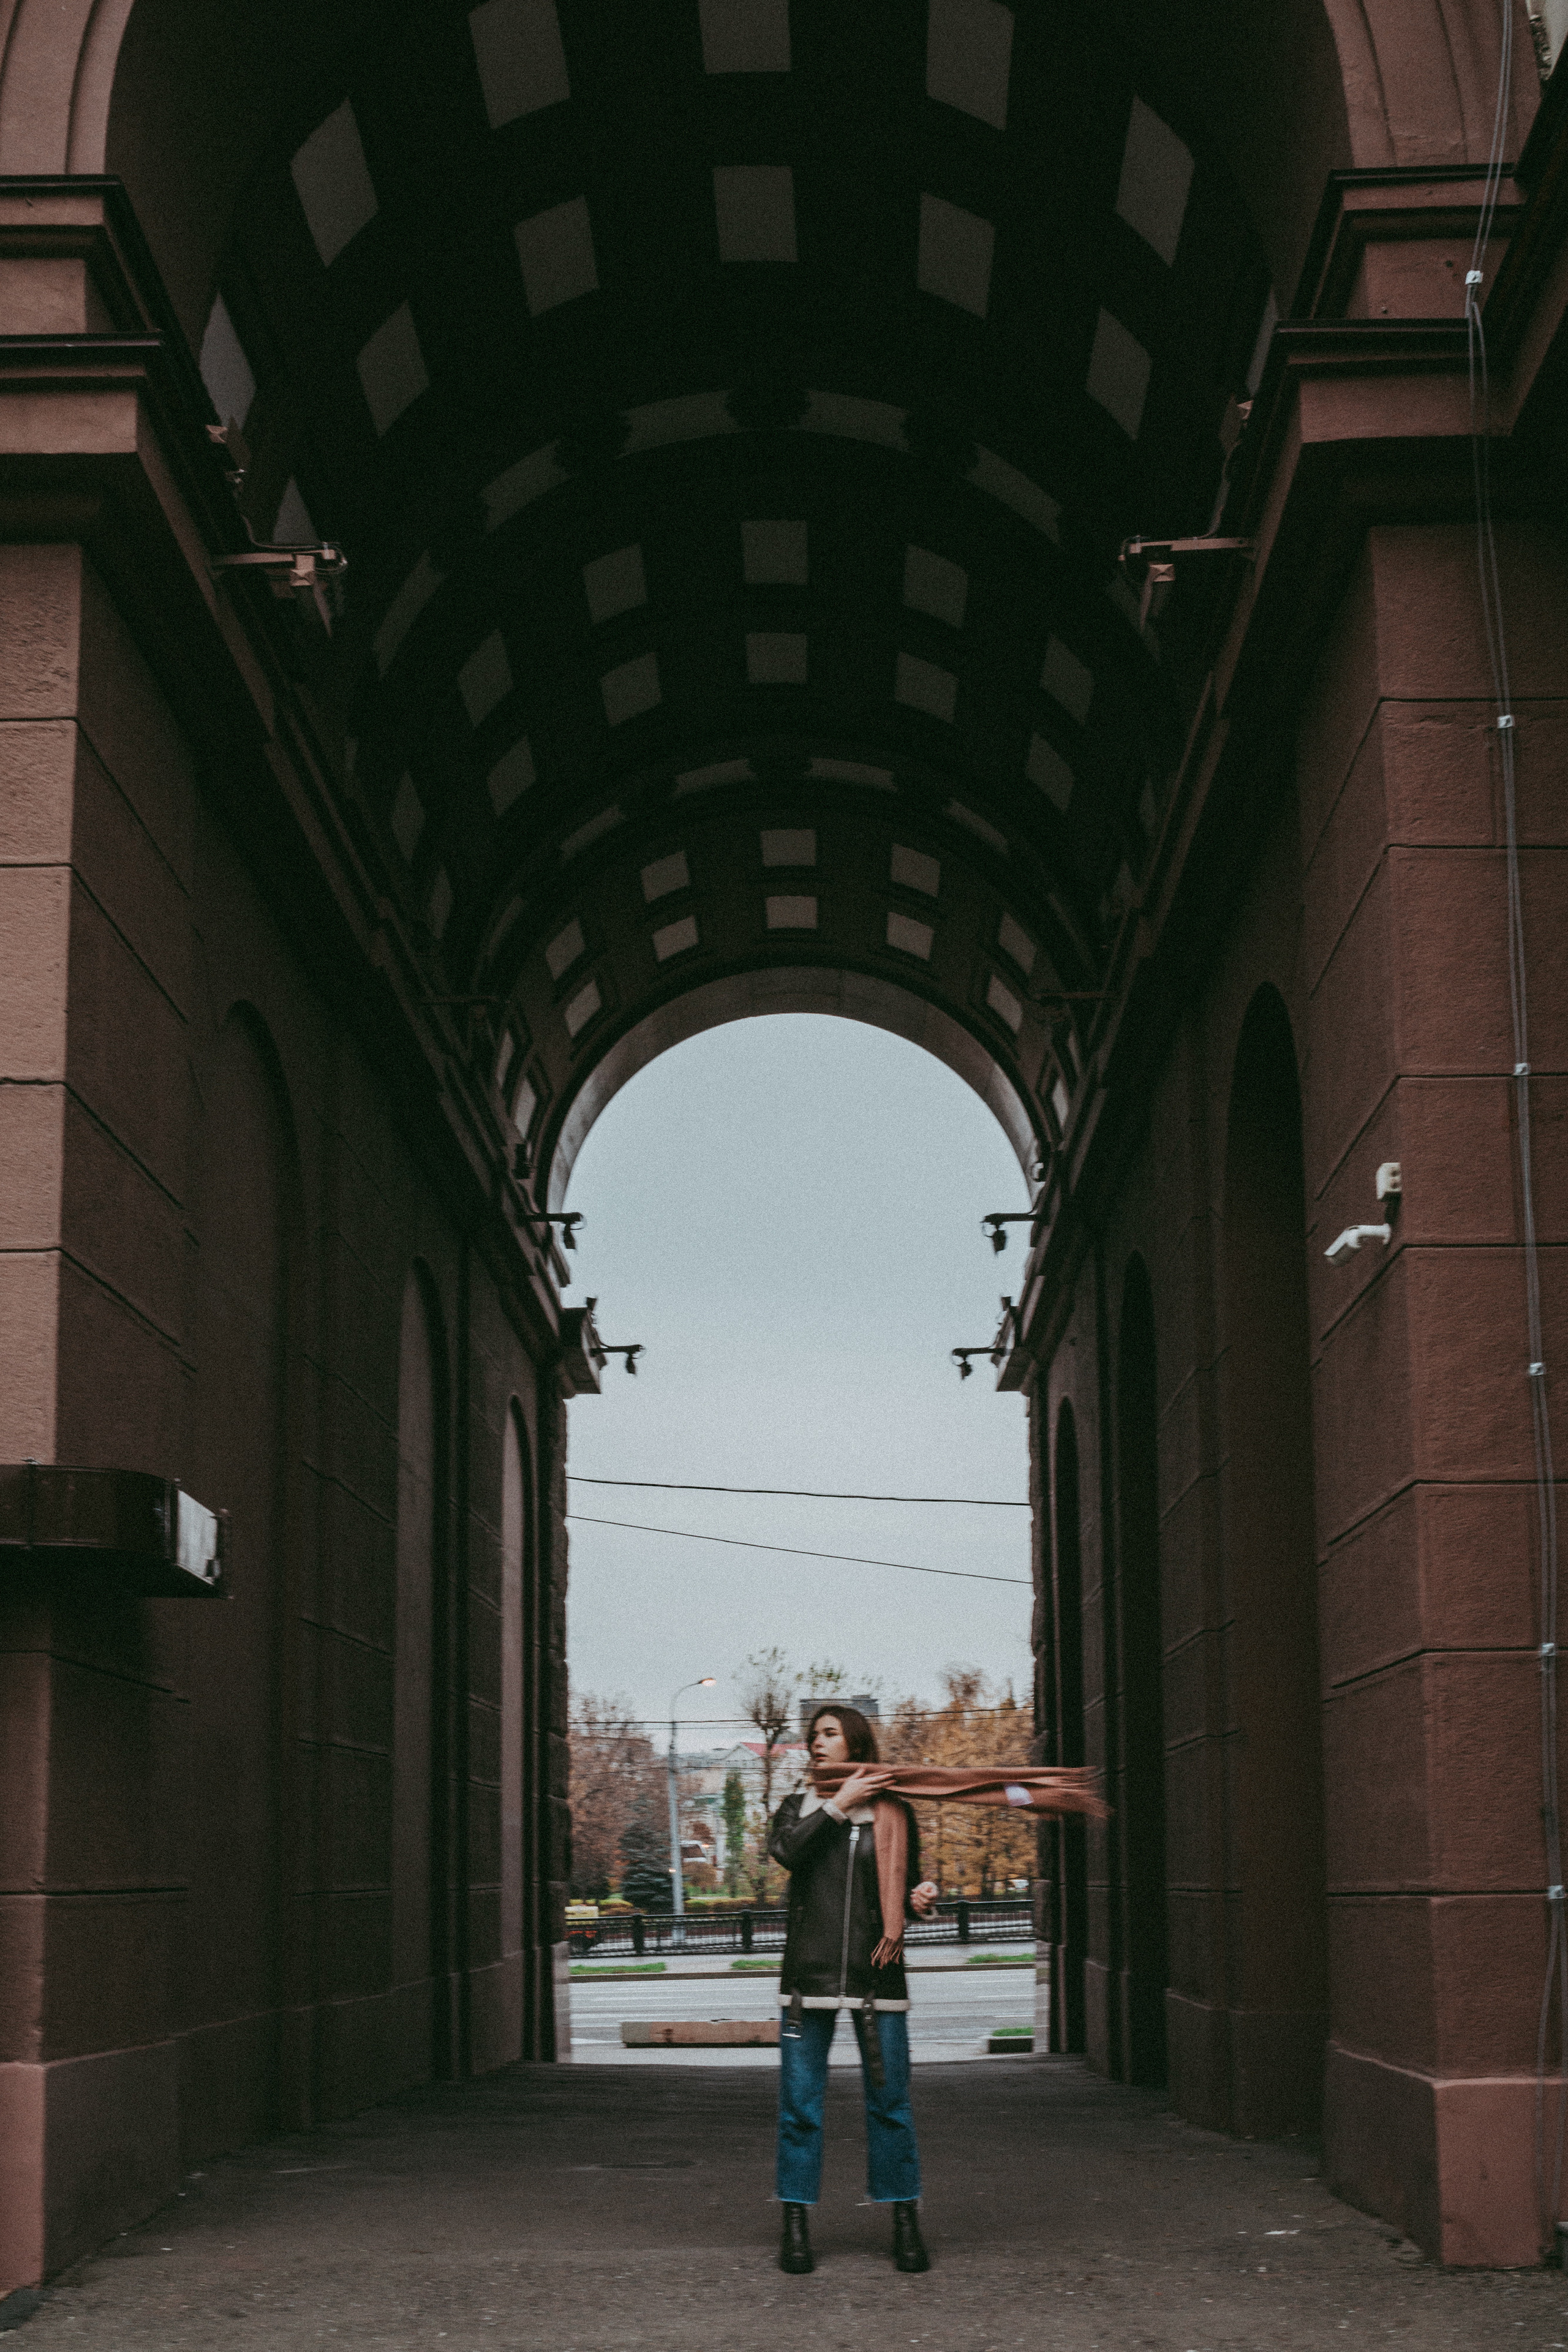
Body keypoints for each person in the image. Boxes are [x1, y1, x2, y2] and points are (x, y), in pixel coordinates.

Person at [767, 1703, 939, 2276]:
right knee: (800, 2109)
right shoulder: (797, 1809)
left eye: (829, 1734)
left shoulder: (894, 1813)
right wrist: (838, 1805)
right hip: (806, 1982)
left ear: (854, 1743)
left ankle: (904, 2219)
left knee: (890, 2107)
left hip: (878, 1981)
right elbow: (789, 1853)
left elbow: (905, 1892)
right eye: (812, 1735)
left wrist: (920, 1901)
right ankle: (795, 2224)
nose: (816, 1743)